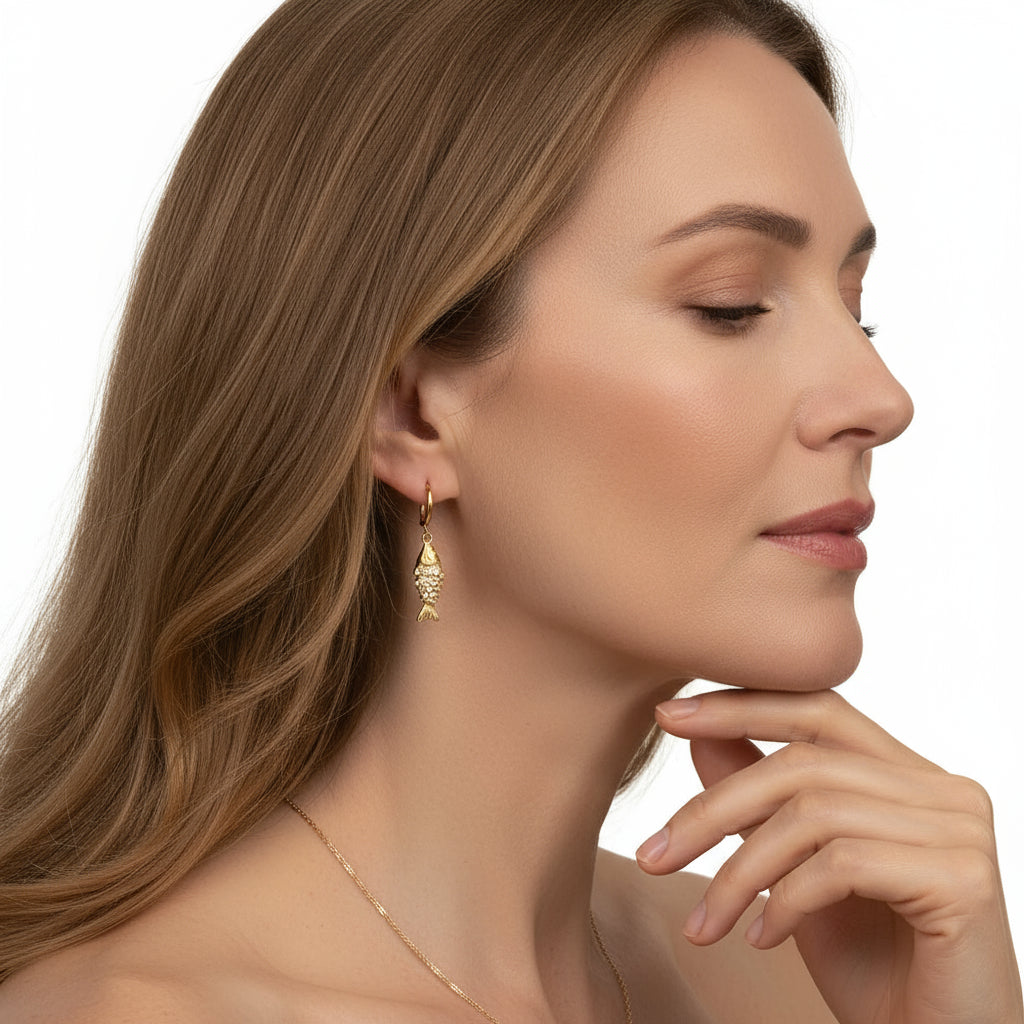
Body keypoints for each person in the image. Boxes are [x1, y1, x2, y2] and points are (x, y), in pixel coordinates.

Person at [0, 0, 1020, 1020]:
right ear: (411, 412)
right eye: (730, 303)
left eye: (856, 305)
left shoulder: (819, 978)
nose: (880, 398)